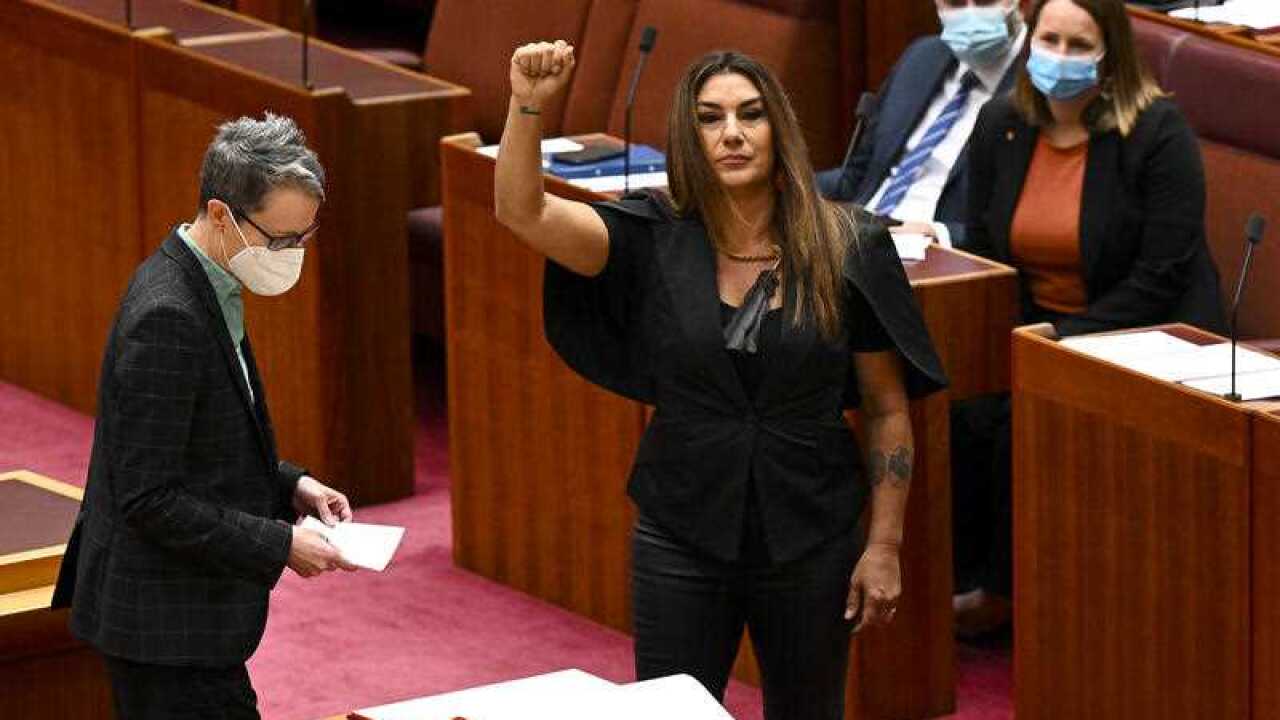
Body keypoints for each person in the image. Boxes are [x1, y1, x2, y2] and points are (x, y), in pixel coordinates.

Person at [494, 41, 948, 719]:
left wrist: (883, 545)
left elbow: (886, 410)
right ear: (689, 133)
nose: (732, 133)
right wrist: (528, 103)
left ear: (779, 130)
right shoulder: (652, 236)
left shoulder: (848, 244)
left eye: (751, 115)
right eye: (710, 118)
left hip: (812, 535)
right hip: (682, 528)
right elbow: (522, 211)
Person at [52, 113, 359, 719]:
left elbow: (205, 443)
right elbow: (149, 496)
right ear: (221, 215)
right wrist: (279, 546)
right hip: (162, 629)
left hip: (188, 626)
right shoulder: (168, 316)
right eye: (279, 240)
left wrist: (289, 483)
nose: (292, 255)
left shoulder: (211, 283)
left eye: (303, 237)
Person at [953, 0, 1225, 636]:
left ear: (1112, 56)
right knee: (962, 408)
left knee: (1028, 415)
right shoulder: (1002, 124)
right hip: (1034, 326)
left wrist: (1058, 337)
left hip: (1145, 333)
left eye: (1080, 46)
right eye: (1050, 40)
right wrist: (1015, 333)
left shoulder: (1156, 133)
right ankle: (961, 578)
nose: (1061, 58)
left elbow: (1162, 277)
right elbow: (989, 250)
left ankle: (1005, 594)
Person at [818, 0, 1027, 249]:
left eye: (984, 1)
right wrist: (784, 182)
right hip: (860, 239)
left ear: (1022, 4)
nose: (970, 12)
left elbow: (1024, 224)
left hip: (940, 257)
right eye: (955, 2)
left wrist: (940, 233)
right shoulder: (922, 56)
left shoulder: (1038, 89)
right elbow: (856, 177)